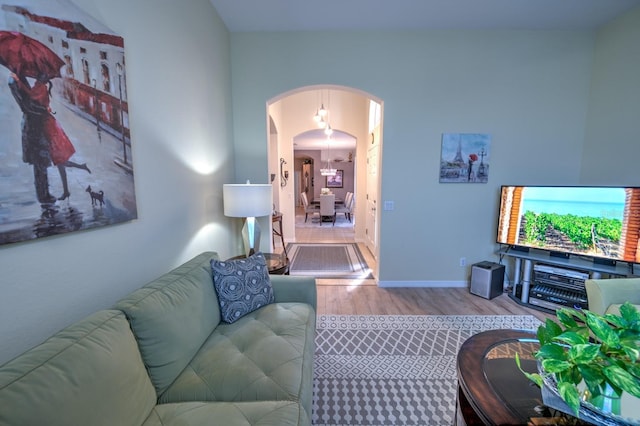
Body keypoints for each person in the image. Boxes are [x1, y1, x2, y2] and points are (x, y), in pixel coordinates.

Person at [11, 73, 91, 200]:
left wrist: (18, 82)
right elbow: (31, 98)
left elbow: (30, 98)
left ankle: (66, 189)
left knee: (59, 159)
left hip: (48, 126)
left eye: (40, 75)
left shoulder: (40, 87)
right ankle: (69, 186)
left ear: (42, 77)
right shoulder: (40, 86)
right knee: (59, 160)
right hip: (49, 124)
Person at [8, 73, 55, 204]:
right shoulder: (15, 82)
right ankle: (43, 195)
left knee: (41, 162)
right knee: (40, 161)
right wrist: (44, 110)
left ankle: (44, 194)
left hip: (36, 126)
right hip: (33, 128)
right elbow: (27, 107)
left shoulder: (22, 81)